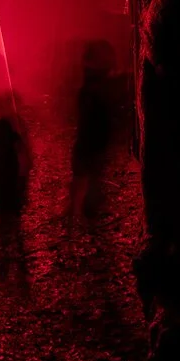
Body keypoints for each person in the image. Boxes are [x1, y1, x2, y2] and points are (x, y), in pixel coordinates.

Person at [68, 41, 117, 235]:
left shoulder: (91, 89)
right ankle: (81, 216)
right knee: (86, 177)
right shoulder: (92, 91)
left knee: (86, 177)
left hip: (90, 141)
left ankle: (80, 215)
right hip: (90, 142)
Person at [0, 91, 32, 285]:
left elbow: (24, 158)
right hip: (4, 185)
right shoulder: (6, 127)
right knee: (9, 228)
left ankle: (12, 271)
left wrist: (21, 183)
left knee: (10, 228)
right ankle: (14, 270)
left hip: (8, 185)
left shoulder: (12, 128)